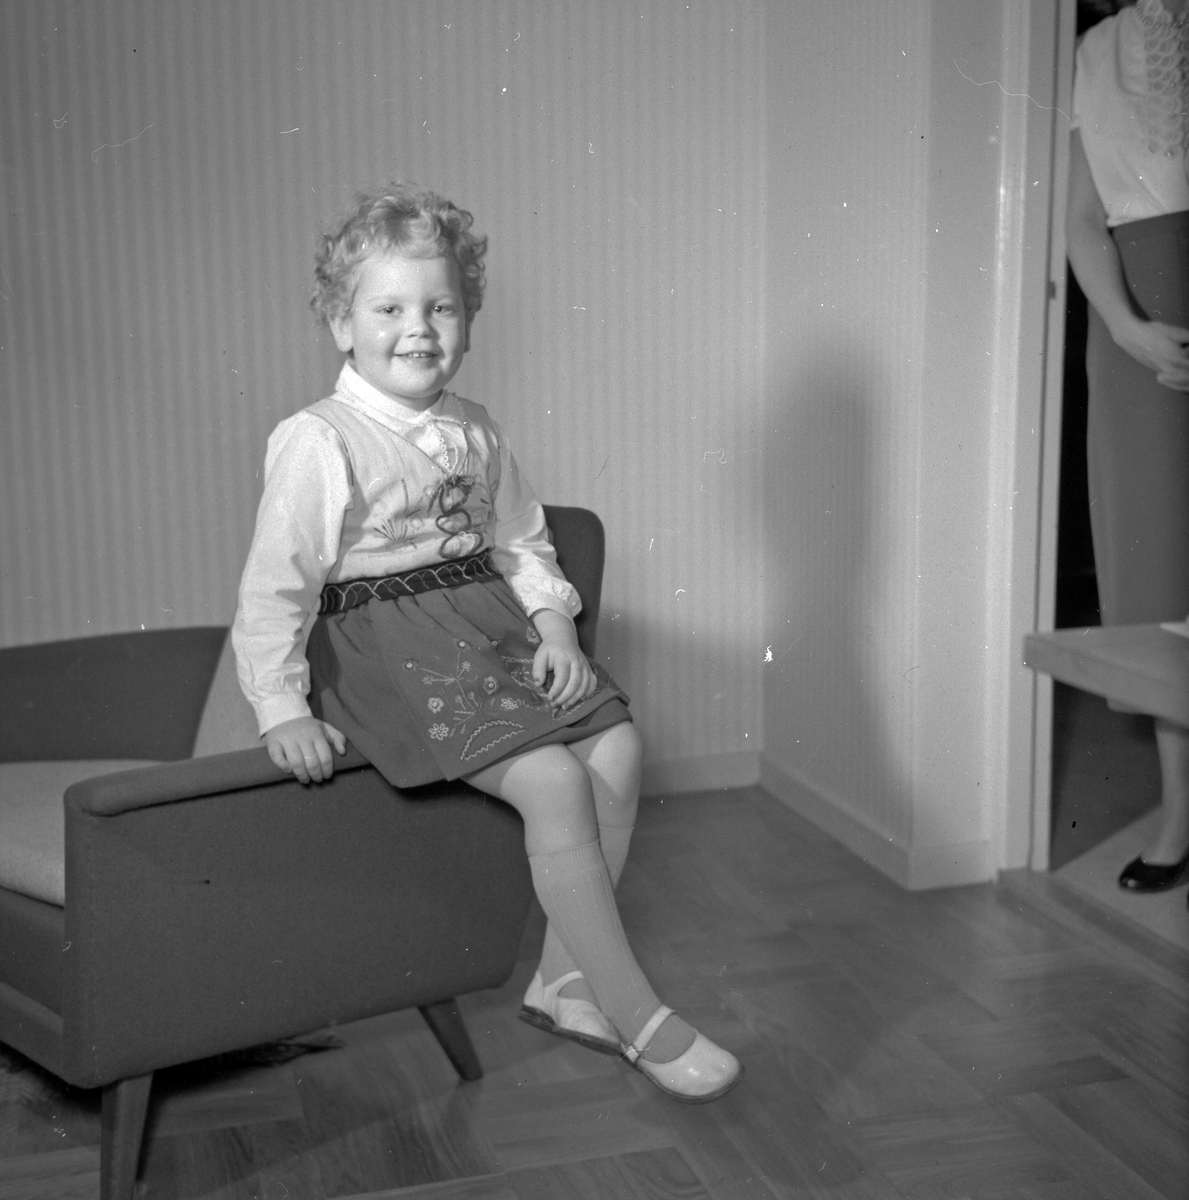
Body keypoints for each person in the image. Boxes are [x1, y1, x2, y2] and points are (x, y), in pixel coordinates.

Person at [232, 182, 742, 1101]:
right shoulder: (318, 440)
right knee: (551, 780)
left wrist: (555, 628)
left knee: (617, 748)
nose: (418, 329)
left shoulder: (475, 427)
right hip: (382, 650)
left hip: (484, 626)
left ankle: (564, 985)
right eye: (389, 309)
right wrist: (281, 708)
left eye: (441, 307)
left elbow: (522, 545)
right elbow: (276, 586)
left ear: (468, 319)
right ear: (341, 325)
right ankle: (636, 1013)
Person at [1066, 0, 1189, 896]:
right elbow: (1080, 218)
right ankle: (1180, 815)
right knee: (1160, 583)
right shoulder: (1093, 50)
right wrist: (1125, 327)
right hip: (1135, 333)